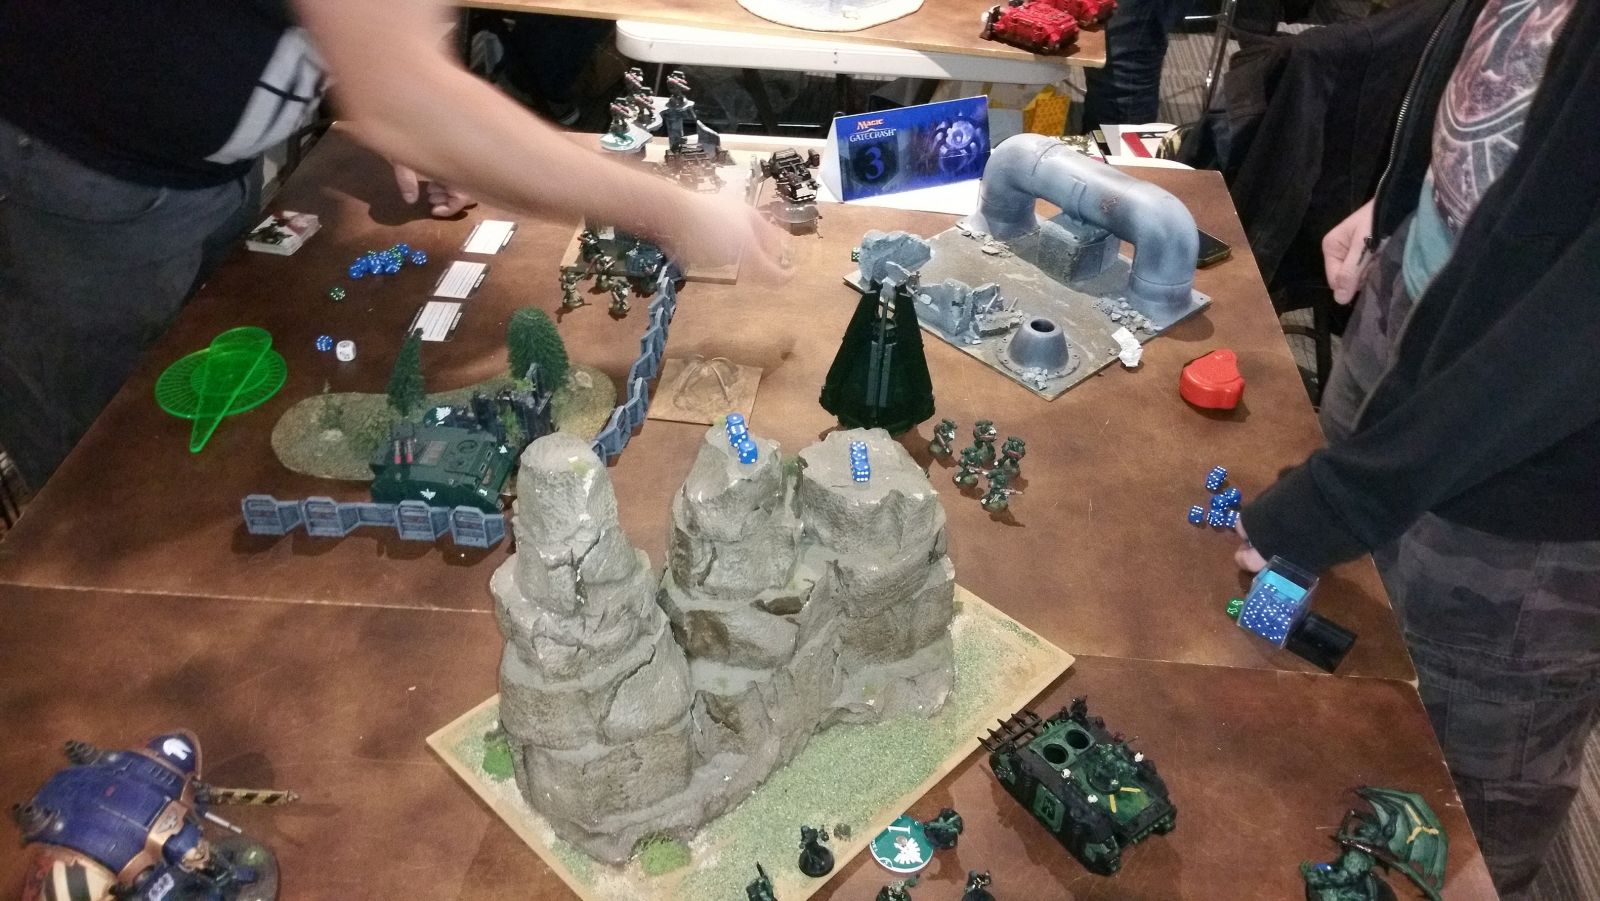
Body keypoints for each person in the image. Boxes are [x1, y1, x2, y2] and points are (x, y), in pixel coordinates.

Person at [0, 0, 789, 491]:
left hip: (194, 158)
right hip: (79, 173)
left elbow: (385, 56)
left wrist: (397, 95)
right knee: (103, 473)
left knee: (211, 383)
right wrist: (667, 209)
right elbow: (403, 96)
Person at [1232, 0, 1598, 895]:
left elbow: (1569, 333)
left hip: (1527, 469)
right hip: (1412, 307)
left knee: (1461, 787)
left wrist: (1343, 498)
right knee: (1308, 634)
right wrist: (1403, 197)